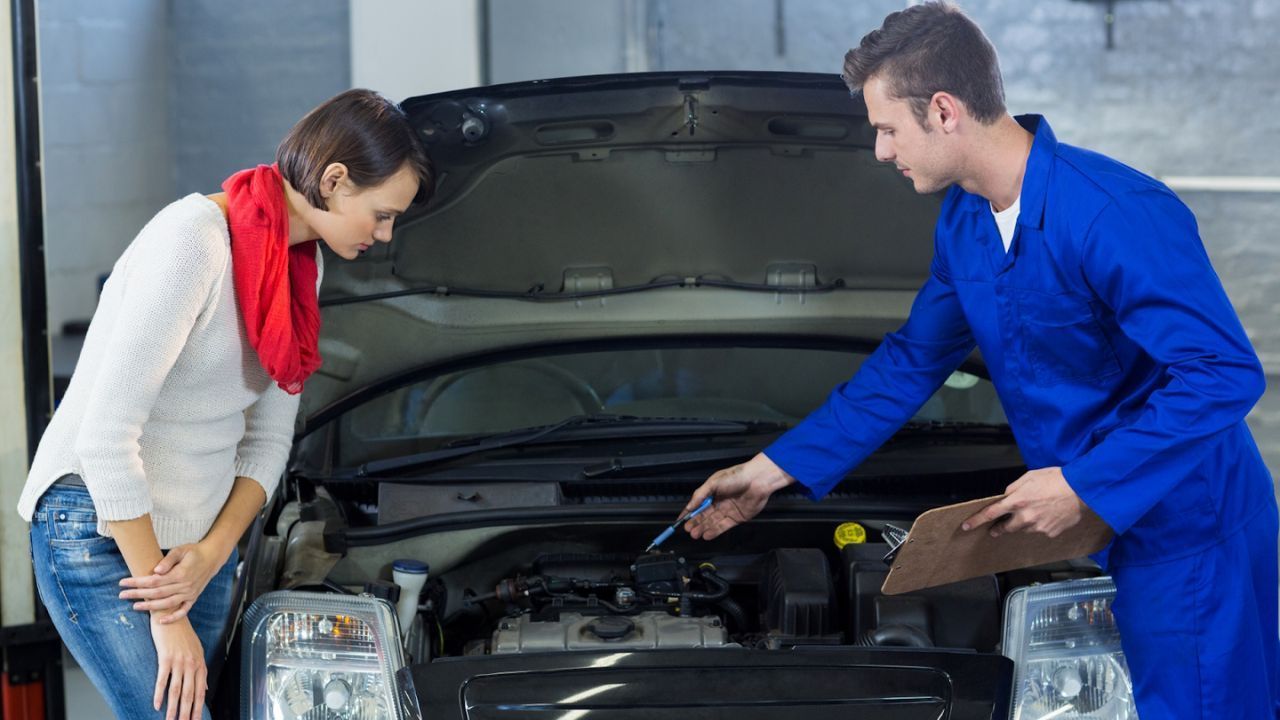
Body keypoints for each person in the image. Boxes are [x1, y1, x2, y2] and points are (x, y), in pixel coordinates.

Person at [679, 3, 1278, 717]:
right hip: (1105, 526)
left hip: (1189, 531)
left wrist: (1085, 483)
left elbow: (1224, 374)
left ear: (943, 111)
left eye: (886, 129)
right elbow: (910, 363)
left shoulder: (1113, 213)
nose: (879, 151)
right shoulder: (965, 223)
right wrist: (770, 472)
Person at [17, 88, 433, 720]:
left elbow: (266, 442)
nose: (385, 234)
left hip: (198, 545)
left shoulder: (301, 268)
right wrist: (167, 610)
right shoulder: (194, 241)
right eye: (380, 214)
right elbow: (105, 437)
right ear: (335, 179)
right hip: (100, 528)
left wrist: (212, 554)